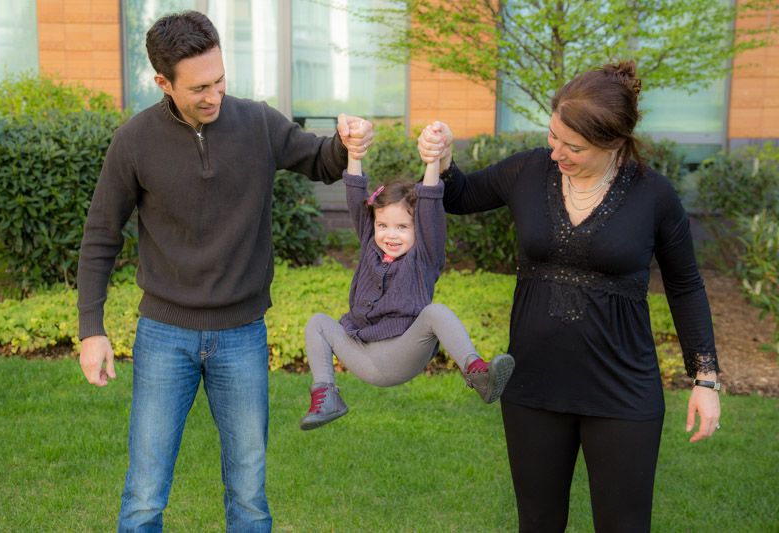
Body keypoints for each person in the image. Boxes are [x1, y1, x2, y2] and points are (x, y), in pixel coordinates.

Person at [76, 10, 374, 532]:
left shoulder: (257, 122)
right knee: (145, 495)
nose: (214, 95)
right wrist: (91, 330)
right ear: (163, 83)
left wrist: (346, 138)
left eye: (220, 80)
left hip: (242, 335)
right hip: (163, 335)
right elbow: (101, 235)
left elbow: (320, 161)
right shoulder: (135, 140)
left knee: (249, 495)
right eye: (199, 88)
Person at [418, 62, 721, 532]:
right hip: (533, 385)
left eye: (572, 146)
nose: (555, 151)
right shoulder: (529, 170)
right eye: (553, 135)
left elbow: (686, 286)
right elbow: (459, 195)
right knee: (537, 522)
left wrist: (705, 379)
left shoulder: (654, 195)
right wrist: (442, 158)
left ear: (613, 143)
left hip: (623, 392)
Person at [299, 121, 515, 430]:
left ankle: (478, 373)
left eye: (402, 227)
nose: (390, 234)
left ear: (418, 229)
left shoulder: (425, 255)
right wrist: (354, 151)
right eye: (383, 225)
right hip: (362, 353)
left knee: (435, 312)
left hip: (401, 352)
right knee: (318, 323)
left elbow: (429, 200)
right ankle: (326, 395)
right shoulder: (370, 244)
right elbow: (356, 191)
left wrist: (432, 162)